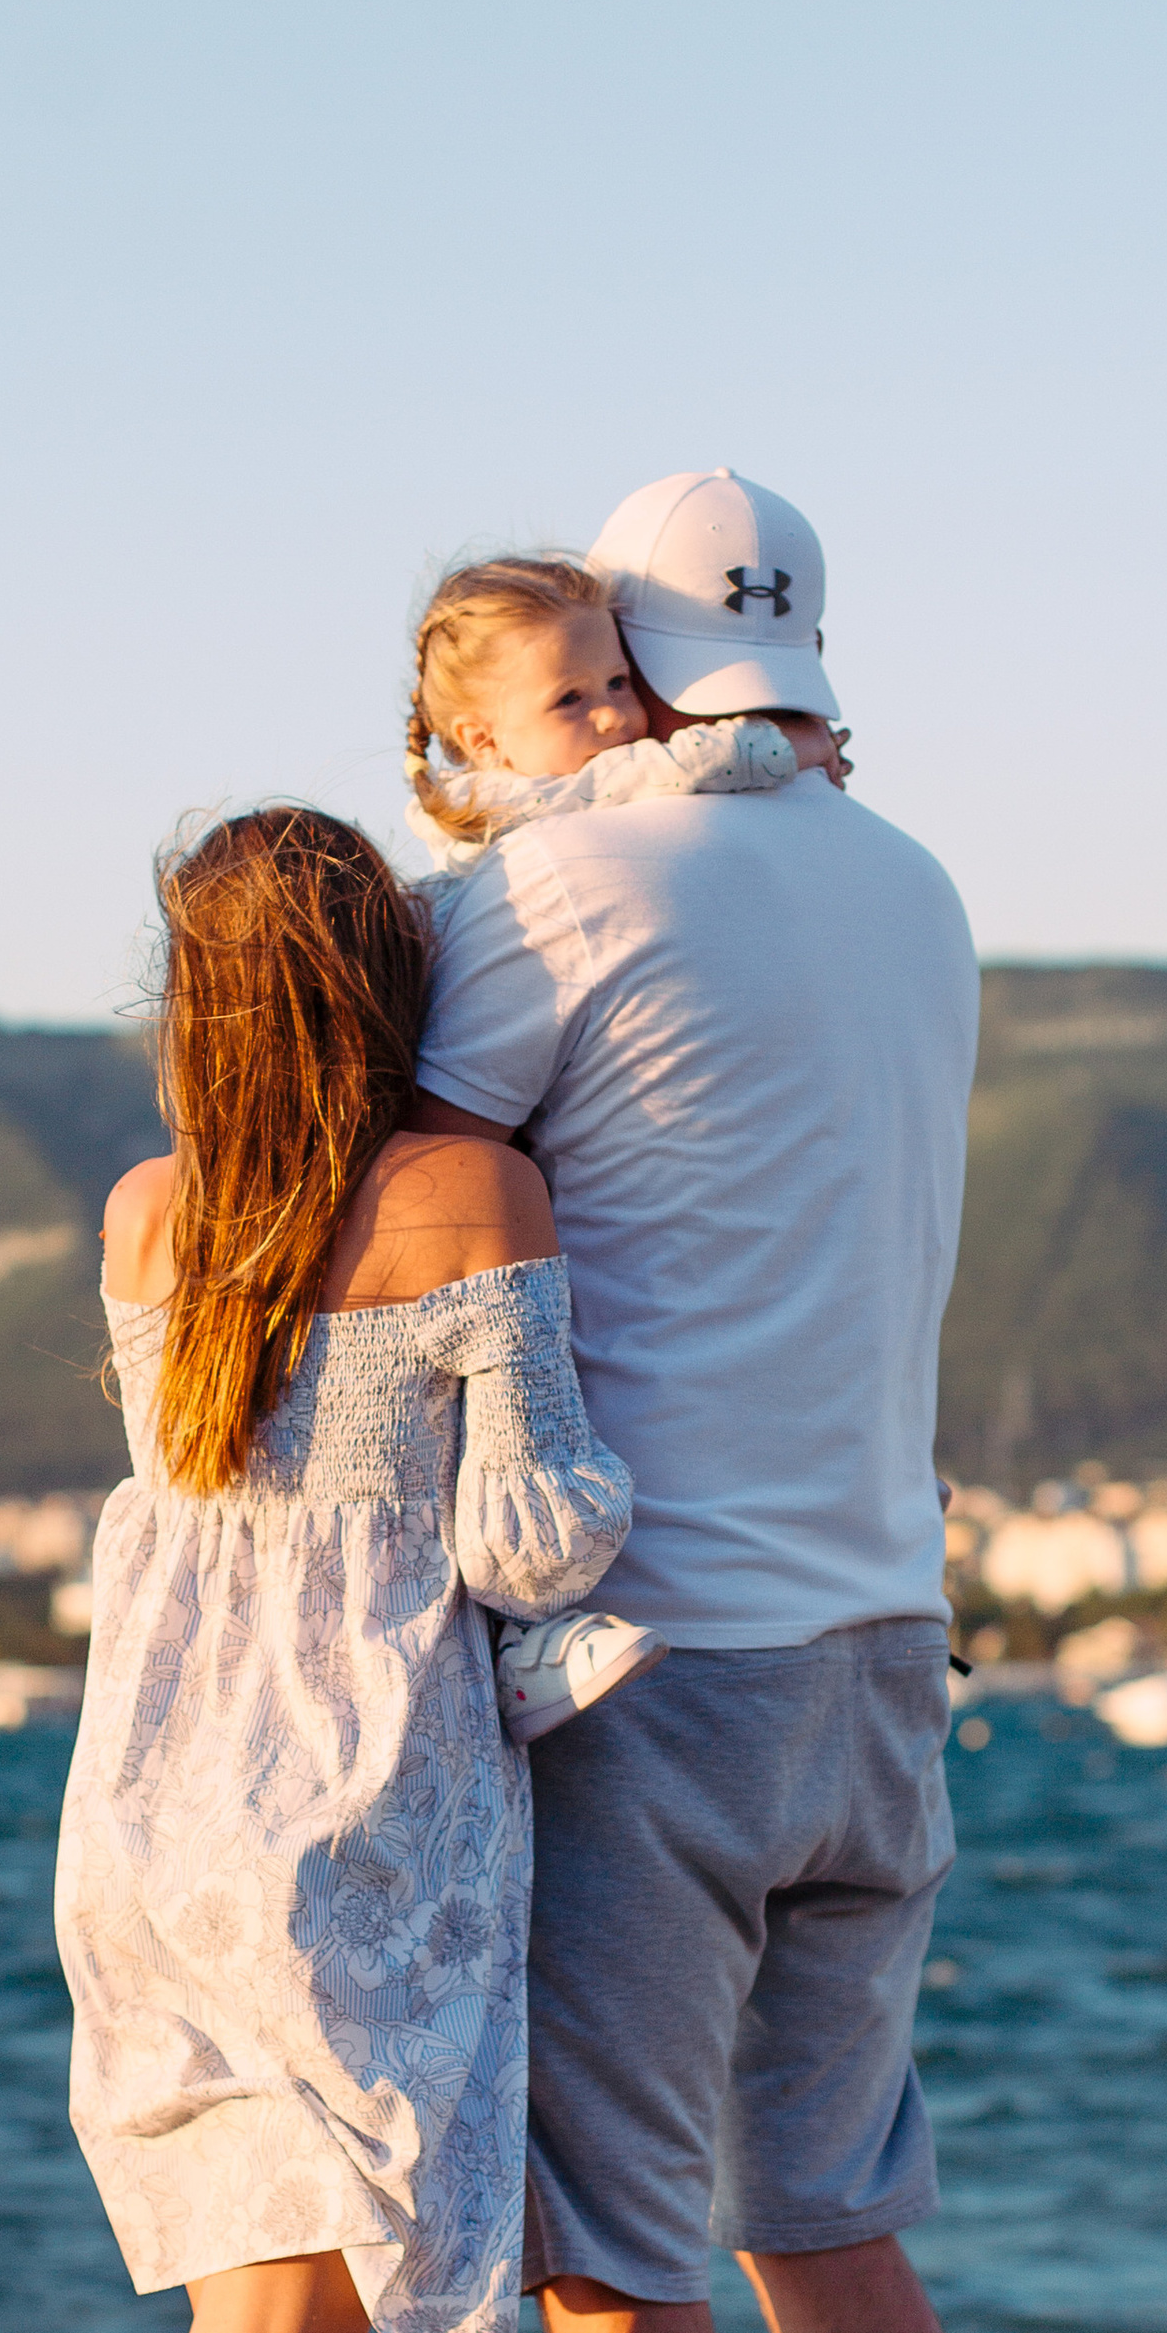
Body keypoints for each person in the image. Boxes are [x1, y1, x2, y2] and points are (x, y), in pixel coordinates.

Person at [397, 471, 1003, 2333]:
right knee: (833, 2228)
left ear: (619, 655)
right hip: (883, 1644)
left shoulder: (549, 892)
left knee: (615, 2274)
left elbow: (384, 1193)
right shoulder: (919, 882)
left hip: (655, 1672)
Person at [49, 804, 637, 2333]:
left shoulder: (147, 1214)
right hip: (343, 1851)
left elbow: (211, 1485)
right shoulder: (468, 1195)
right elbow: (535, 1522)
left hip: (143, 1824)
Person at [401, 548, 837, 1743]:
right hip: (523, 1147)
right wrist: (800, 751)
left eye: (618, 683)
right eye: (569, 700)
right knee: (519, 1411)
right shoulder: (574, 832)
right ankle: (524, 1632)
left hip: (537, 1117)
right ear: (483, 739)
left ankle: (524, 1632)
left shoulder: (502, 819)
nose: (612, 719)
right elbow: (723, 753)